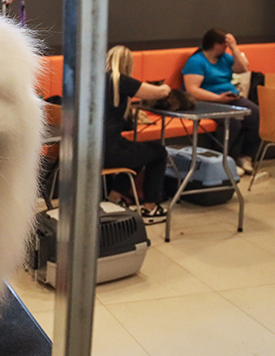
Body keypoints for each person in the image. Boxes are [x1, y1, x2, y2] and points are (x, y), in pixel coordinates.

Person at [104, 45, 172, 224]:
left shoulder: (94, 80)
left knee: (139, 152)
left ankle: (115, 195)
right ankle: (151, 206)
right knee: (158, 152)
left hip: (88, 151)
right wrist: (167, 86)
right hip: (109, 153)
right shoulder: (121, 80)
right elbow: (160, 92)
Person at [182, 28, 260, 174]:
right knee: (231, 121)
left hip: (229, 97)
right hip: (206, 101)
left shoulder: (224, 58)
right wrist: (218, 98)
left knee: (255, 113)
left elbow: (243, 68)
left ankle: (245, 156)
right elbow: (192, 90)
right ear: (216, 45)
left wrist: (234, 48)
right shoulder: (196, 61)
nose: (226, 48)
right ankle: (223, 159)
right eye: (225, 45)